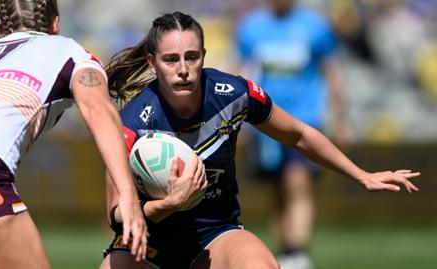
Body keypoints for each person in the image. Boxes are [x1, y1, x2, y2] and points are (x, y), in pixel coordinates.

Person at [100, 11, 420, 269]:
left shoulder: (235, 95)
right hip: (147, 243)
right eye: (171, 59)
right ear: (152, 62)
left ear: (204, 56)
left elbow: (299, 134)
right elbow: (117, 216)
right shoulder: (130, 124)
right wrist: (170, 203)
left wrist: (361, 175)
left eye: (192, 56)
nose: (183, 69)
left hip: (214, 235)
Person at [0, 1, 147, 268]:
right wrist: (128, 196)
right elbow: (99, 111)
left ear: (3, 29)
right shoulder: (70, 51)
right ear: (55, 24)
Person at [235, 0, 348, 267]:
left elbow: (330, 71)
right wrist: (236, 118)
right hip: (265, 120)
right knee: (276, 188)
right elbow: (241, 72)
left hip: (305, 119)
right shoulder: (251, 28)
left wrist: (341, 118)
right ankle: (286, 251)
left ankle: (297, 252)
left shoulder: (315, 26)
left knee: (298, 182)